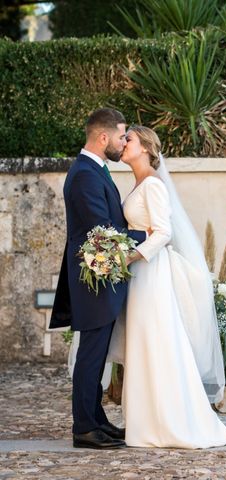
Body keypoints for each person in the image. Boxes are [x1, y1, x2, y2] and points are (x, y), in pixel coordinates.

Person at [111, 125, 226, 448]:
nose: (123, 143)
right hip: (140, 275)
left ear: (147, 148)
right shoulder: (138, 183)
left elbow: (163, 233)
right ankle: (145, 422)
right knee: (143, 342)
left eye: (130, 139)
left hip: (151, 273)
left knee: (158, 340)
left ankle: (172, 422)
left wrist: (131, 258)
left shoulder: (153, 184)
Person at [50, 108, 147, 449]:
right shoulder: (85, 175)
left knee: (96, 353)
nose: (124, 142)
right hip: (95, 281)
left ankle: (97, 421)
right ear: (103, 137)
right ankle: (84, 429)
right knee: (90, 356)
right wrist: (148, 237)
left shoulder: (93, 170)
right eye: (122, 136)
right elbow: (101, 233)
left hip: (101, 280)